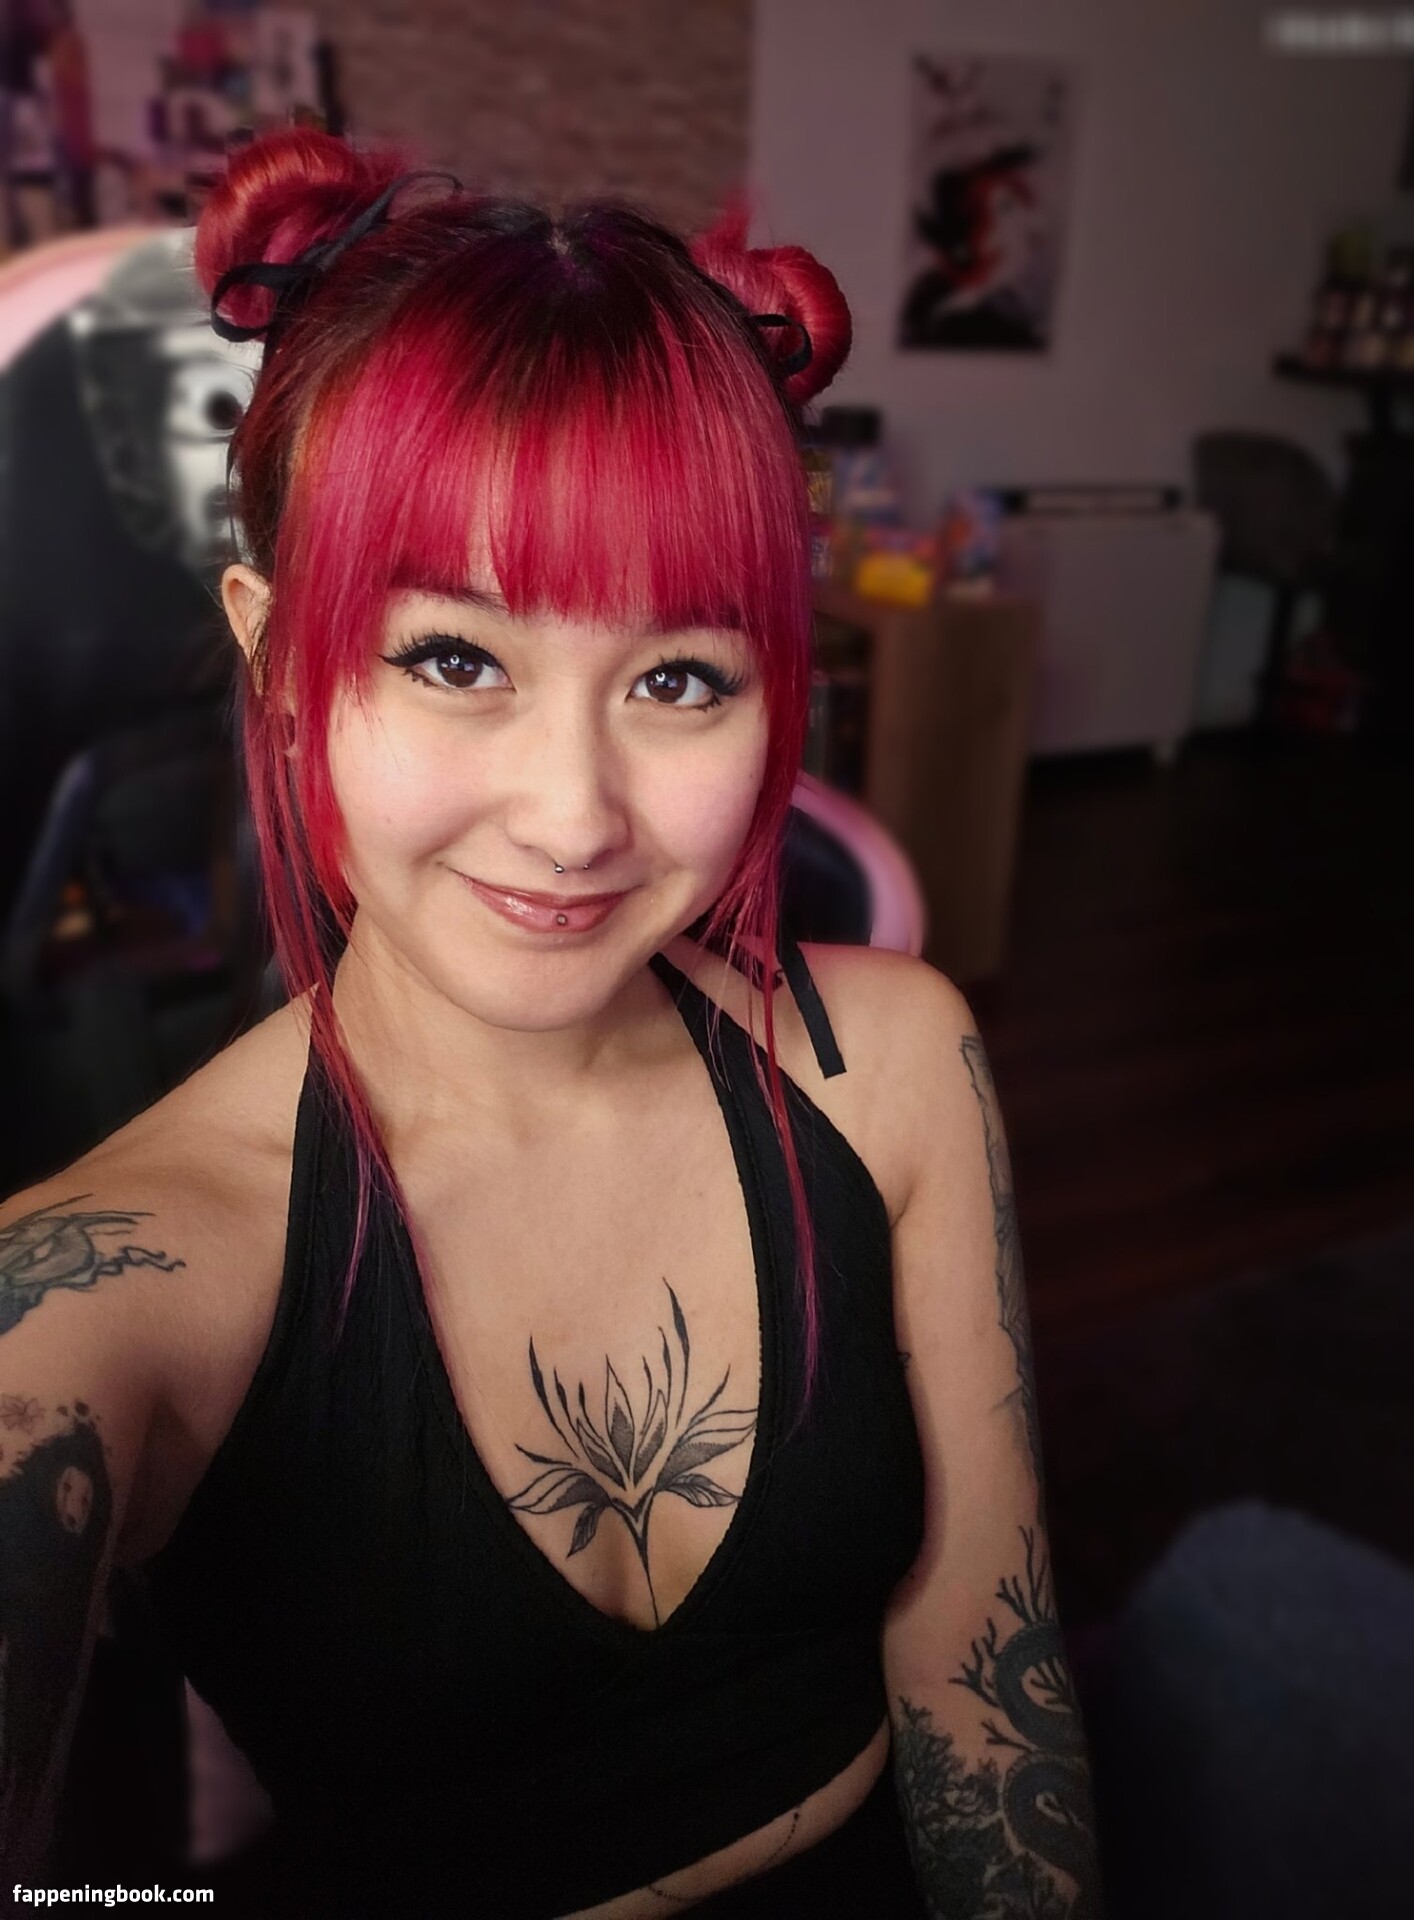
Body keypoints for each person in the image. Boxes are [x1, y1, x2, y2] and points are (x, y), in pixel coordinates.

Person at [0, 127, 1101, 1918]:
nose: (577, 817)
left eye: (678, 677)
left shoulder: (891, 1068)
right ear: (279, 660)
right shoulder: (107, 1294)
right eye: (456, 659)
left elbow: (991, 1673)